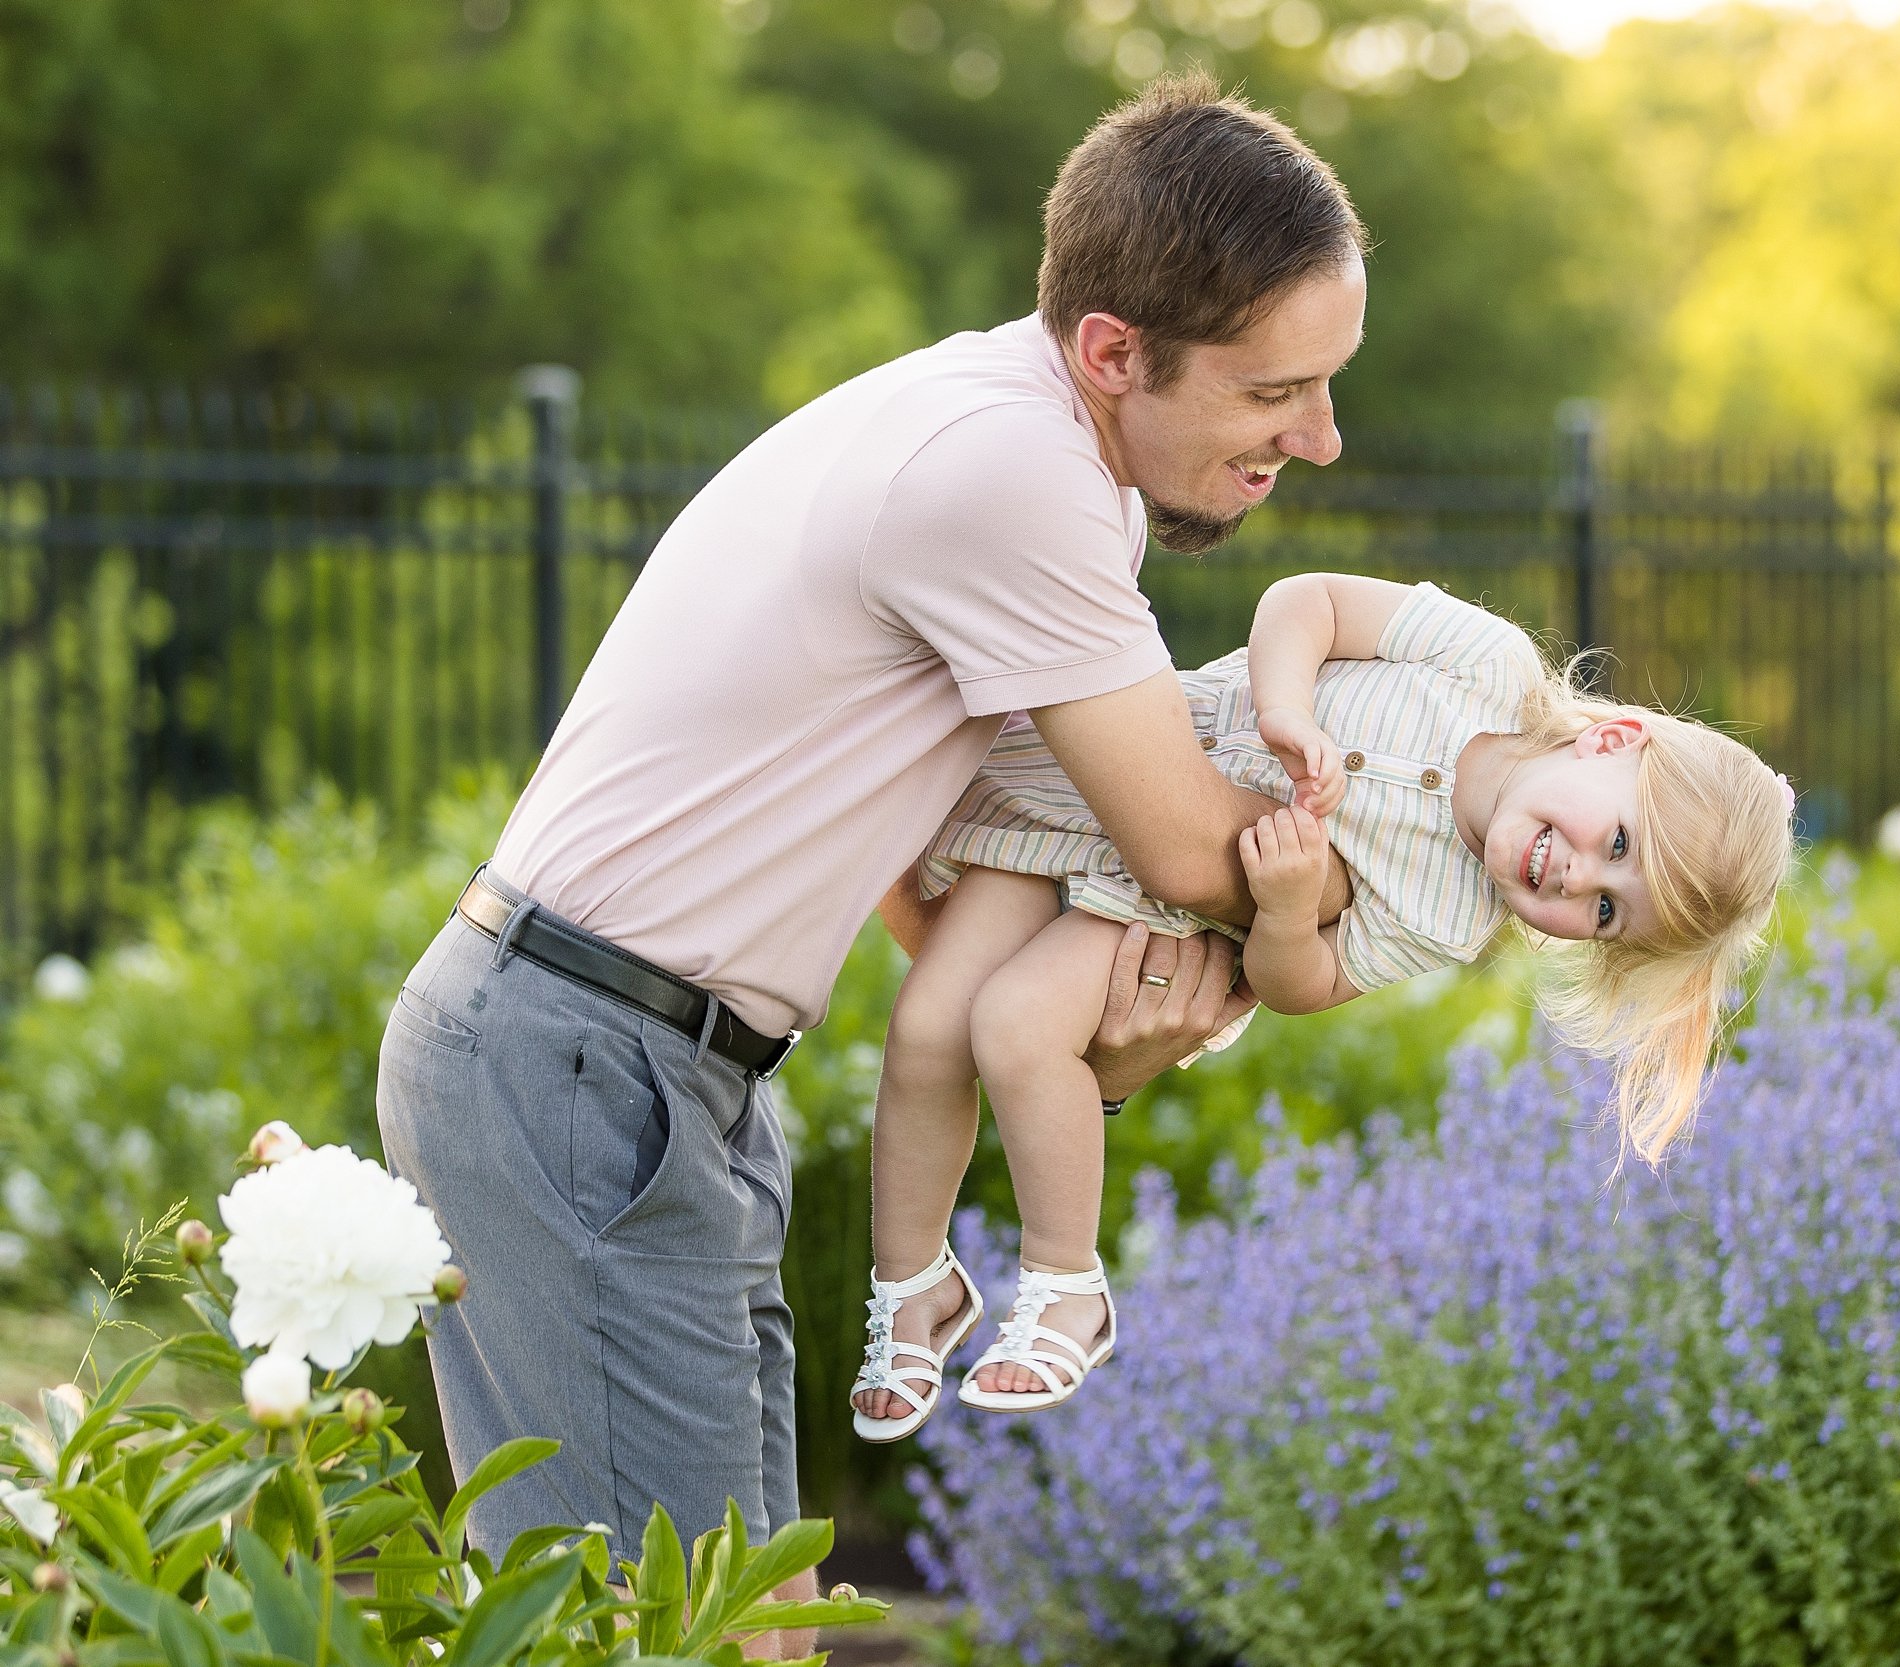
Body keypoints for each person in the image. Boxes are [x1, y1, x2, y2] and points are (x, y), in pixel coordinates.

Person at [374, 73, 1366, 1639]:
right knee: (667, 1638)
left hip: (654, 1071)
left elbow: (955, 882)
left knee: (740, 1625)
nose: (1316, 437)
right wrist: (1388, 881)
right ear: (1115, 350)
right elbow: (1188, 846)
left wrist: (1091, 1054)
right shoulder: (1011, 472)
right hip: (585, 1060)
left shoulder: (1050, 465)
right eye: (1273, 393)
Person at [848, 574, 1795, 1436]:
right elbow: (1310, 603)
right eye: (1618, 843)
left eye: (1605, 911)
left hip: (1148, 903)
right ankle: (913, 1285)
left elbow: (1302, 985)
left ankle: (1065, 1288)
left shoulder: (1449, 915)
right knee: (926, 1028)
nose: (1579, 875)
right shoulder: (1487, 668)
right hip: (1097, 786)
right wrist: (1284, 707)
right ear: (1612, 740)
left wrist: (1290, 909)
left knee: (1013, 1025)